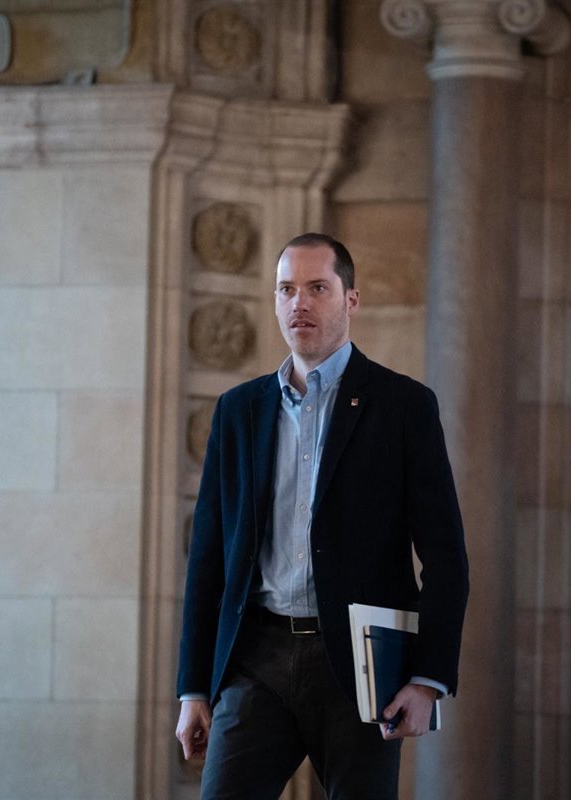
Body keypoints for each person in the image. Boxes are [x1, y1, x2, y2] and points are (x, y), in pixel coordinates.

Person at [175, 232, 469, 799]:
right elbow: (207, 559)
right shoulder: (239, 411)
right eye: (286, 289)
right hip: (255, 660)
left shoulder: (403, 407)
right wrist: (193, 688)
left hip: (360, 665)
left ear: (350, 299)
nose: (299, 304)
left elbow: (446, 556)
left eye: (317, 288)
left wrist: (427, 678)